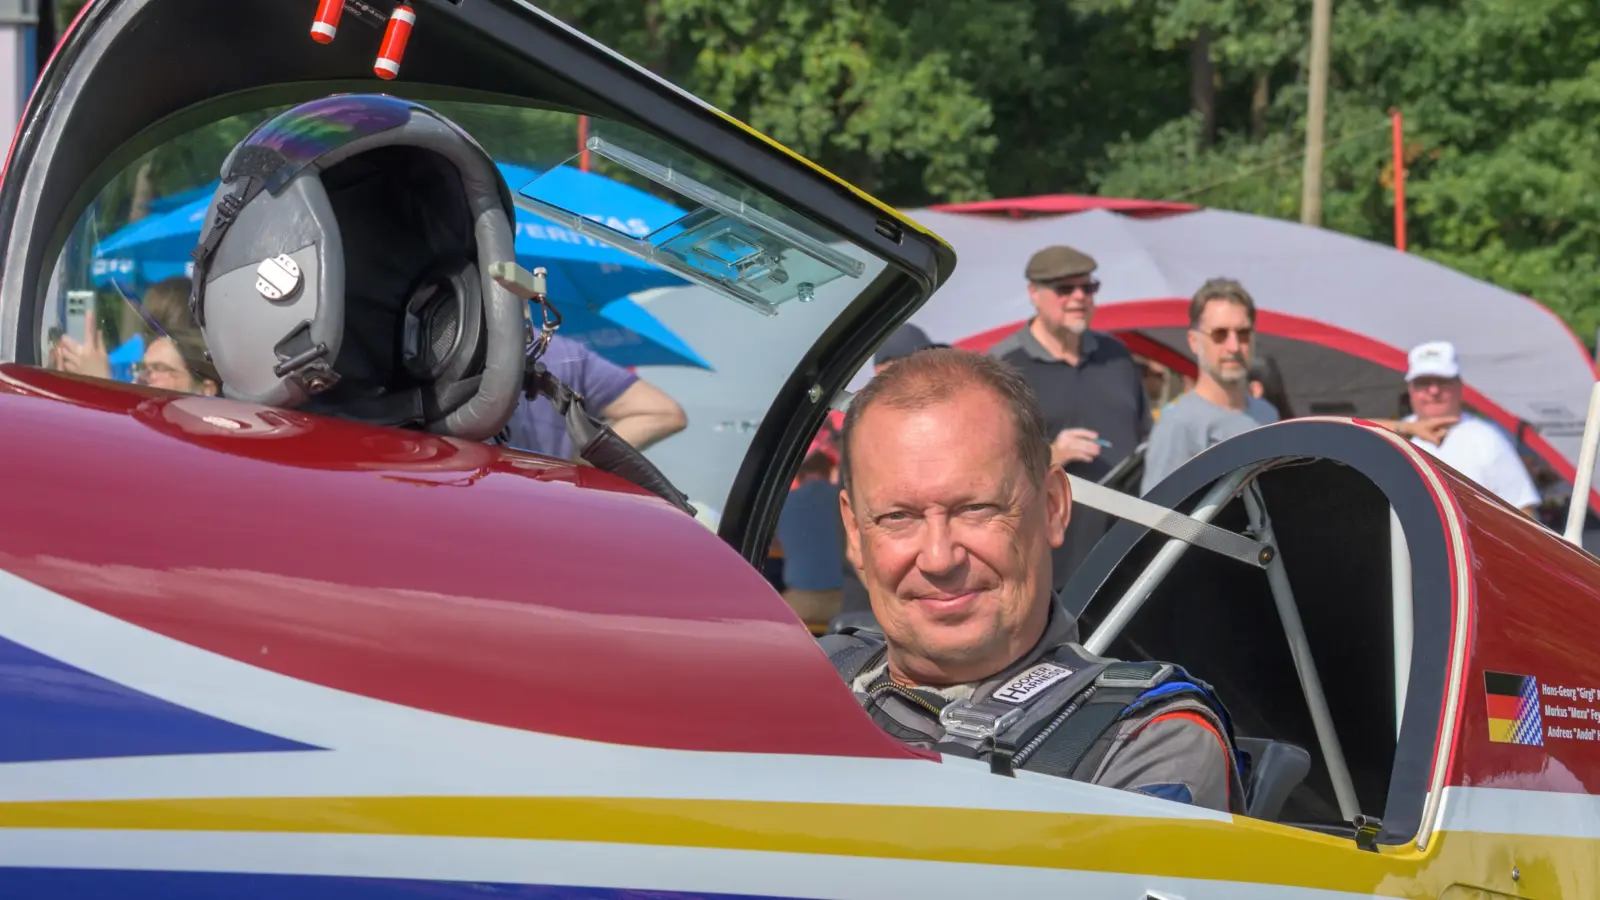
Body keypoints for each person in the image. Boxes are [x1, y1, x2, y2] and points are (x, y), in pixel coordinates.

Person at [820, 347, 1242, 812]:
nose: (939, 558)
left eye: (976, 508)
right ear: (855, 534)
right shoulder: (801, 680)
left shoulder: (1142, 738)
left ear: (1053, 508)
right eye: (898, 516)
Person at [988, 246, 1152, 591]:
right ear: (1034, 294)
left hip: (1125, 553)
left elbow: (1145, 439)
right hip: (1048, 564)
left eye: (1088, 288)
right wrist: (1050, 455)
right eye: (1065, 289)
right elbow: (982, 464)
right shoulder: (1003, 367)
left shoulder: (1117, 357)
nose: (1079, 297)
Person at [1140, 279, 1280, 493]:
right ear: (1194, 341)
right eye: (1220, 334)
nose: (1233, 346)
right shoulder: (1178, 425)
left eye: (1242, 334)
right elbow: (1154, 519)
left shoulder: (1267, 415)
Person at [1384, 340, 1540, 516]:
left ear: (1459, 386)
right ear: (1410, 389)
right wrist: (1406, 428)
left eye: (1443, 381)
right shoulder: (1391, 437)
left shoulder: (1485, 437)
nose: (1434, 391)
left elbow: (1523, 510)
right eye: (1423, 383)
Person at [503, 332, 687, 459]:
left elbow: (666, 414)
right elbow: (664, 413)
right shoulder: (560, 350)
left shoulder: (563, 351)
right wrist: (583, 463)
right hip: (555, 501)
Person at [775, 449, 846, 633]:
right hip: (843, 602)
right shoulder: (845, 500)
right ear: (829, 472)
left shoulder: (784, 502)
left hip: (800, 604)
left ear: (800, 475)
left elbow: (776, 543)